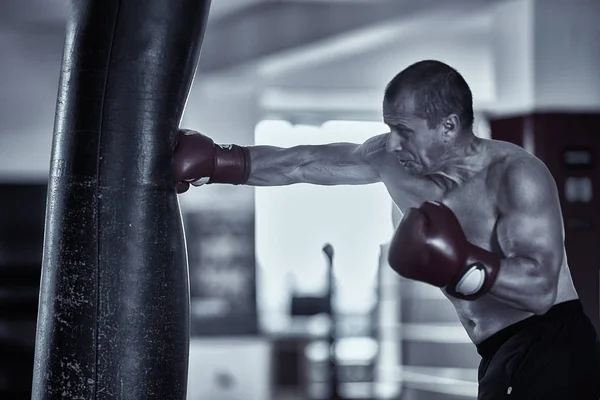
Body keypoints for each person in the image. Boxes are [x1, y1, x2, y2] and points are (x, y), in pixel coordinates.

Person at [172, 60, 600, 399]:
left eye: (404, 131)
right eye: (390, 127)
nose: (392, 143)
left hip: (551, 344)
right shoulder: (392, 159)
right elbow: (302, 162)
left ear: (448, 126)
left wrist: (461, 264)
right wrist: (219, 163)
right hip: (495, 350)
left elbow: (541, 289)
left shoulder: (515, 175)